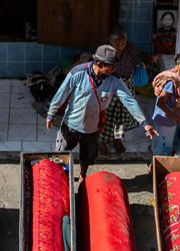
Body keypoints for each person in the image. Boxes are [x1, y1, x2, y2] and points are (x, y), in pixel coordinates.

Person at [46, 45, 158, 179]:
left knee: (87, 156)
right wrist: (51, 114)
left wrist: (144, 122)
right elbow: (62, 93)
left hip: (92, 127)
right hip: (71, 124)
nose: (114, 69)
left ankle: (83, 176)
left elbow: (129, 100)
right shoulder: (78, 73)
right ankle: (62, 178)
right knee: (62, 154)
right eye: (111, 66)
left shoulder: (114, 80)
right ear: (99, 64)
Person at [99, 26, 158, 157]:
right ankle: (101, 141)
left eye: (123, 43)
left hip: (127, 84)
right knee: (106, 114)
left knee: (122, 115)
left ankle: (117, 140)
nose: (121, 46)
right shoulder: (105, 51)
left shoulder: (130, 48)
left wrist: (150, 58)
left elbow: (141, 55)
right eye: (118, 44)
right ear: (110, 41)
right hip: (110, 85)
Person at [151, 49, 180, 157]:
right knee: (161, 151)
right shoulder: (171, 82)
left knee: (167, 147)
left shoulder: (179, 78)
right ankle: (154, 170)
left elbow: (178, 95)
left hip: (171, 119)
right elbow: (161, 103)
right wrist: (178, 118)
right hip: (164, 120)